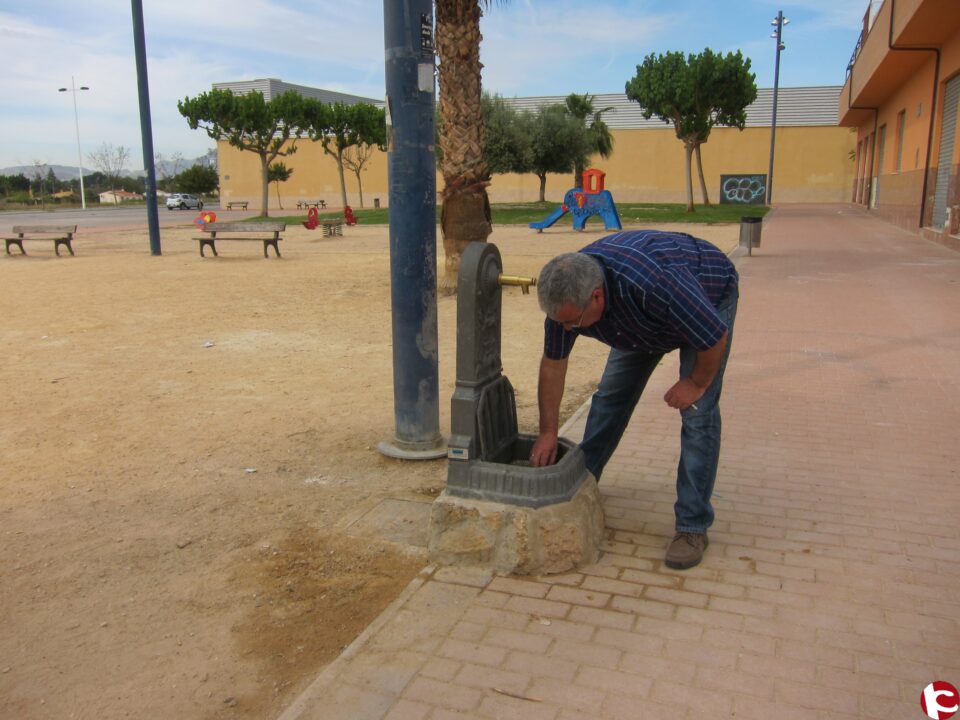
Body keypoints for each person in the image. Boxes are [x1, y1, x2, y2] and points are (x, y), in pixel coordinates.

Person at [530, 229, 739, 570]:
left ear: (596, 297)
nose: (566, 329)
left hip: (707, 296)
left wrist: (696, 382)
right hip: (640, 322)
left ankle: (692, 527)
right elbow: (554, 364)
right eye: (560, 322)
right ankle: (584, 484)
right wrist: (548, 431)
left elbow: (714, 336)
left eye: (572, 323)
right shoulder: (565, 302)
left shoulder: (656, 283)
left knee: (698, 412)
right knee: (610, 398)